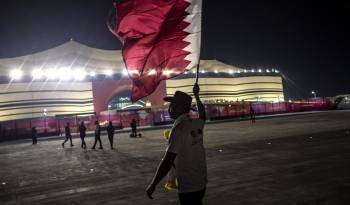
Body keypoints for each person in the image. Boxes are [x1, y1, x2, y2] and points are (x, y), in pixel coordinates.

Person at [146, 84, 207, 205]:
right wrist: (197, 96)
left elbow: (168, 161)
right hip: (201, 182)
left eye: (173, 105)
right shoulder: (195, 123)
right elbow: (203, 116)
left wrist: (153, 184)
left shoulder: (178, 129)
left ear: (181, 107)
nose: (169, 108)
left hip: (188, 186)